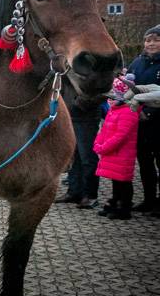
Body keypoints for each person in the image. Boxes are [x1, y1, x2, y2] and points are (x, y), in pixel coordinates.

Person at [94, 75, 141, 220]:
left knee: (124, 181)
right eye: (109, 97)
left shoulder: (129, 112)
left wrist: (104, 147)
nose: (110, 100)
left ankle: (124, 207)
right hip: (112, 152)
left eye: (114, 97)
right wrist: (98, 143)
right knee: (116, 179)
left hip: (122, 153)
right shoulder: (114, 110)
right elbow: (104, 130)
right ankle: (115, 201)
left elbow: (120, 136)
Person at [54, 80, 104, 209]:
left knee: (87, 157)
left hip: (86, 118)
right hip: (69, 117)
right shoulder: (69, 68)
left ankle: (90, 195)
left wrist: (79, 103)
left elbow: (102, 91)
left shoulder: (92, 67)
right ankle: (74, 192)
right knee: (73, 157)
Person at [127, 25, 160, 215]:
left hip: (157, 120)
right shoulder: (138, 62)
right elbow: (130, 85)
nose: (151, 44)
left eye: (155, 40)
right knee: (145, 164)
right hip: (139, 121)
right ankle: (148, 199)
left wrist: (149, 112)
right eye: (148, 40)